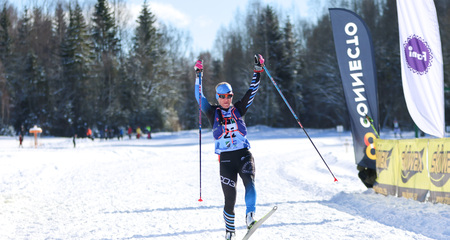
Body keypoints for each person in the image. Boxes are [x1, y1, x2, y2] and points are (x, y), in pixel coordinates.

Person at [195, 54, 264, 240]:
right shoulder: (211, 112)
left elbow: (252, 91)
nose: (226, 99)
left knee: (249, 182)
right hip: (226, 160)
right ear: (218, 97)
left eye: (229, 96)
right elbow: (198, 96)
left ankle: (250, 217)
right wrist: (198, 75)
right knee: (229, 199)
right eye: (223, 96)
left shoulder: (239, 109)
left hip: (243, 155)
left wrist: (258, 71)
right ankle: (230, 232)